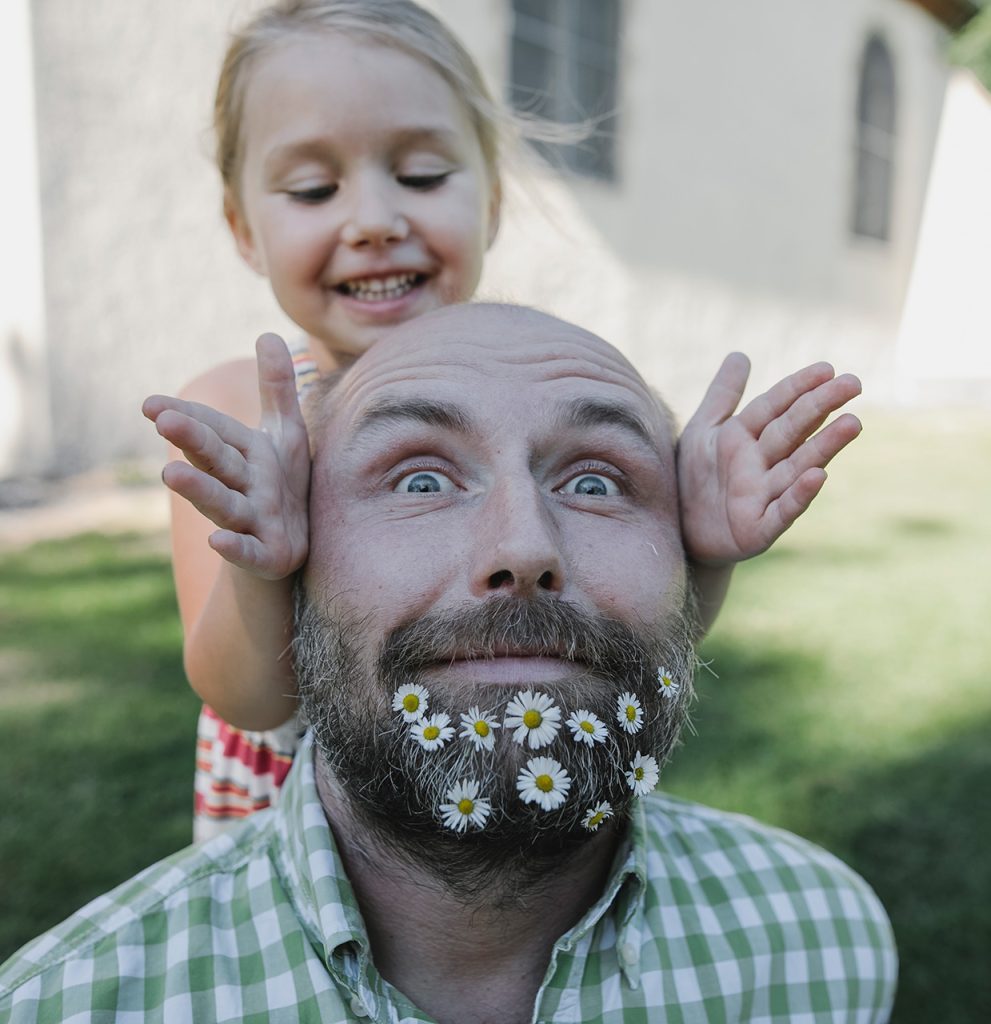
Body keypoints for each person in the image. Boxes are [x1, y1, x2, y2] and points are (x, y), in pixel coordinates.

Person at [1, 304, 896, 1023]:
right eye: (420, 479)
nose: (522, 547)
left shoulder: (826, 945)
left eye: (595, 482)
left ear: (686, 565)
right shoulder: (69, 1003)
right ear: (294, 564)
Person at [142, 0, 863, 841]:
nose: (374, 221)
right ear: (243, 229)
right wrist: (263, 567)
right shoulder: (239, 413)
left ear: (489, 200)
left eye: (421, 176)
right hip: (305, 825)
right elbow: (244, 695)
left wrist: (702, 554)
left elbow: (621, 643)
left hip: (505, 787)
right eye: (313, 188)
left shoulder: (546, 393)